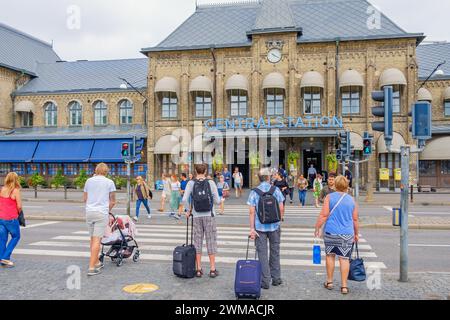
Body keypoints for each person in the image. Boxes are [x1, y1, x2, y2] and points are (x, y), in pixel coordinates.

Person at [314, 176, 359, 295]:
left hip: (331, 231)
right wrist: (356, 234)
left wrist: (317, 227)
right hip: (347, 233)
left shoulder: (329, 197)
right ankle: (344, 286)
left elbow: (324, 215)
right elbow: (355, 219)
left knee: (330, 256)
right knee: (344, 259)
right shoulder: (351, 200)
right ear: (346, 186)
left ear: (335, 185)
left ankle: (329, 282)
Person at [248, 168, 285, 290]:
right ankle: (276, 278)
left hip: (259, 228)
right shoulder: (276, 190)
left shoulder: (254, 192)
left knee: (262, 254)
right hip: (274, 226)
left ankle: (265, 281)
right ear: (269, 178)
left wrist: (252, 229)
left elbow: (252, 212)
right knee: (275, 251)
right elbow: (281, 207)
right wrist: (279, 221)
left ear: (259, 178)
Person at [182, 164, 221, 278]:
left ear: (195, 171)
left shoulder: (191, 183)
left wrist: (188, 210)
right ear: (205, 172)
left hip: (196, 215)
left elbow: (184, 199)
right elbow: (217, 201)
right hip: (209, 215)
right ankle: (212, 269)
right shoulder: (211, 183)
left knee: (197, 241)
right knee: (211, 241)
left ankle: (198, 269)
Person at [83, 163, 117, 276]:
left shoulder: (89, 181)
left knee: (92, 239)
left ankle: (96, 261)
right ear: (106, 171)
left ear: (96, 170)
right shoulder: (109, 182)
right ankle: (92, 268)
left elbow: (85, 198)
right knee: (97, 240)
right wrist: (107, 210)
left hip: (89, 212)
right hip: (101, 212)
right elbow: (113, 201)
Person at [0, 172, 22, 268]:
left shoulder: (2, 189)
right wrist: (17, 213)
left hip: (1, 218)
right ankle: (5, 257)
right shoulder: (15, 190)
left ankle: (2, 259)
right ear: (16, 179)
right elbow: (19, 206)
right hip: (11, 218)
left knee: (2, 239)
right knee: (16, 236)